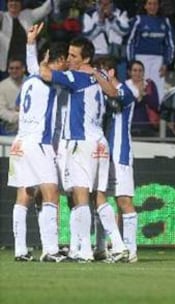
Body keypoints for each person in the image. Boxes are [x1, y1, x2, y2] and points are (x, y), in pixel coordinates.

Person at [39, 37, 128, 263]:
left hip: (82, 142)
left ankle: (84, 251)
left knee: (80, 197)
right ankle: (118, 246)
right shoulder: (101, 76)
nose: (68, 59)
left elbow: (46, 75)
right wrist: (96, 73)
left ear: (85, 58)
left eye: (73, 56)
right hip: (100, 141)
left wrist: (42, 61)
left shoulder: (75, 77)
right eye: (68, 55)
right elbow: (114, 93)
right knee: (99, 196)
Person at [8, 41, 68, 262]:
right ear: (59, 60)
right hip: (38, 143)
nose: (67, 66)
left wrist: (30, 44)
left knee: (24, 196)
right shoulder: (51, 80)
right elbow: (46, 72)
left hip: (19, 143)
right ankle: (51, 250)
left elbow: (35, 67)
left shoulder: (29, 80)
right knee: (51, 192)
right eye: (66, 61)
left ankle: (20, 250)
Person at [93, 56, 138, 263]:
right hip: (103, 154)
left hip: (120, 153)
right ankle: (101, 248)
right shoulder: (101, 94)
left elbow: (116, 98)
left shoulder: (125, 92)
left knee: (124, 200)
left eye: (100, 72)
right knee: (100, 199)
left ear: (110, 72)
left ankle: (130, 250)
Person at [126, 0, 175, 100]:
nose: (152, 7)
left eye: (155, 4)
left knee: (157, 89)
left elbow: (170, 44)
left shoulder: (165, 21)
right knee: (139, 86)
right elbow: (130, 42)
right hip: (140, 58)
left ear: (158, 6)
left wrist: (166, 62)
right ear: (145, 6)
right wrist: (131, 62)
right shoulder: (138, 20)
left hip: (158, 60)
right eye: (150, 4)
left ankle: (157, 112)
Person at [0, 0, 57, 80]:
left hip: (26, 60)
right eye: (11, 1)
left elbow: (45, 9)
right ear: (7, 4)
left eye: (16, 1)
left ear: (21, 4)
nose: (13, 4)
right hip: (7, 62)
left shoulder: (27, 14)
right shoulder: (3, 16)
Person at [127, 60, 160, 137]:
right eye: (135, 70)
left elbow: (155, 104)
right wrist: (140, 96)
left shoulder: (149, 85)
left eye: (140, 70)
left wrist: (145, 96)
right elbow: (127, 105)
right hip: (130, 126)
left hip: (148, 126)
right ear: (129, 72)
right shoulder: (125, 86)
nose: (138, 73)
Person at [0, 58, 25, 135]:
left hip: (30, 125)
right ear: (8, 70)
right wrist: (18, 117)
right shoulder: (2, 86)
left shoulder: (32, 83)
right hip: (9, 127)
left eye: (17, 68)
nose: (14, 71)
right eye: (11, 68)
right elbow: (1, 110)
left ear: (23, 69)